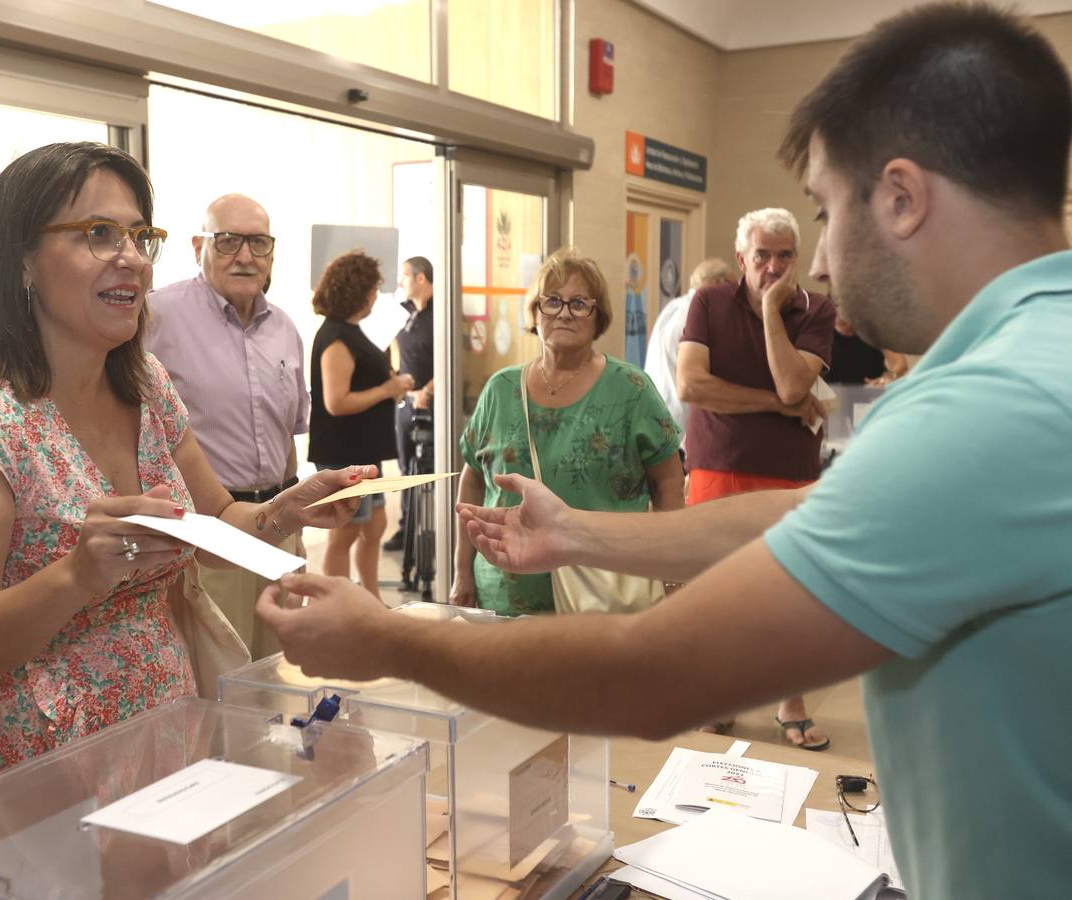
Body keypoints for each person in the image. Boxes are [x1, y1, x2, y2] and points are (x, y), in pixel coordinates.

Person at [257, 4, 1072, 896]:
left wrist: (390, 640)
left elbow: (648, 678)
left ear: (904, 198)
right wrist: (577, 535)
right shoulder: (1037, 357)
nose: (824, 267)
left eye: (827, 212)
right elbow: (811, 514)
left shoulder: (994, 405)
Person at [0, 143, 371, 804]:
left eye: (137, 235)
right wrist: (76, 577)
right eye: (97, 233)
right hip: (30, 763)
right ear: (23, 262)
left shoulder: (146, 386)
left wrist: (282, 513)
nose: (128, 255)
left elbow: (218, 518)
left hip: (158, 732)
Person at [677, 207, 836, 749]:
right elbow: (693, 386)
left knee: (788, 591)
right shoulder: (706, 303)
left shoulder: (816, 309)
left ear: (796, 260)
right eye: (761, 255)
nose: (772, 266)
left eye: (784, 255)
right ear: (741, 256)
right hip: (717, 465)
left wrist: (771, 310)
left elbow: (796, 386)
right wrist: (776, 406)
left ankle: (789, 698)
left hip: (789, 473)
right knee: (716, 590)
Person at [451, 249, 684, 614]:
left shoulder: (631, 390)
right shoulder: (500, 389)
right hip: (504, 593)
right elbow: (474, 480)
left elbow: (669, 483)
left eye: (579, 303)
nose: (564, 312)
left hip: (604, 594)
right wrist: (461, 571)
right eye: (553, 301)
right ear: (535, 312)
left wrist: (673, 576)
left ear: (598, 316)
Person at [144, 195, 308, 659]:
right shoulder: (157, 316)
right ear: (199, 245)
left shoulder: (285, 329)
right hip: (206, 537)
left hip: (277, 527)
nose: (244, 256)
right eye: (228, 241)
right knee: (218, 681)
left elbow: (287, 439)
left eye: (258, 243)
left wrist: (293, 533)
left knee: (278, 674)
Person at [308, 250, 414, 597]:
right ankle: (337, 606)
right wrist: (387, 388)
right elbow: (336, 402)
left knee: (374, 524)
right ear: (357, 293)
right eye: (372, 290)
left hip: (364, 450)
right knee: (346, 532)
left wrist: (391, 386)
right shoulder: (336, 337)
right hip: (344, 452)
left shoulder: (351, 331)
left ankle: (370, 598)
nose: (374, 297)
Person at [642, 258, 736, 440]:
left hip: (655, 413)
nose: (734, 296)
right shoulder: (698, 316)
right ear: (717, 284)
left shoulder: (673, 307)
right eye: (732, 287)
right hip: (679, 425)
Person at [383, 256, 436, 553]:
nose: (401, 282)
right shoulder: (400, 312)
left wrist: (428, 390)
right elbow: (378, 345)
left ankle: (436, 530)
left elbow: (451, 358)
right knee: (406, 467)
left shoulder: (442, 312)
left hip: (434, 401)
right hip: (405, 400)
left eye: (405, 276)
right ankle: (406, 530)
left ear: (420, 278)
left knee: (433, 467)